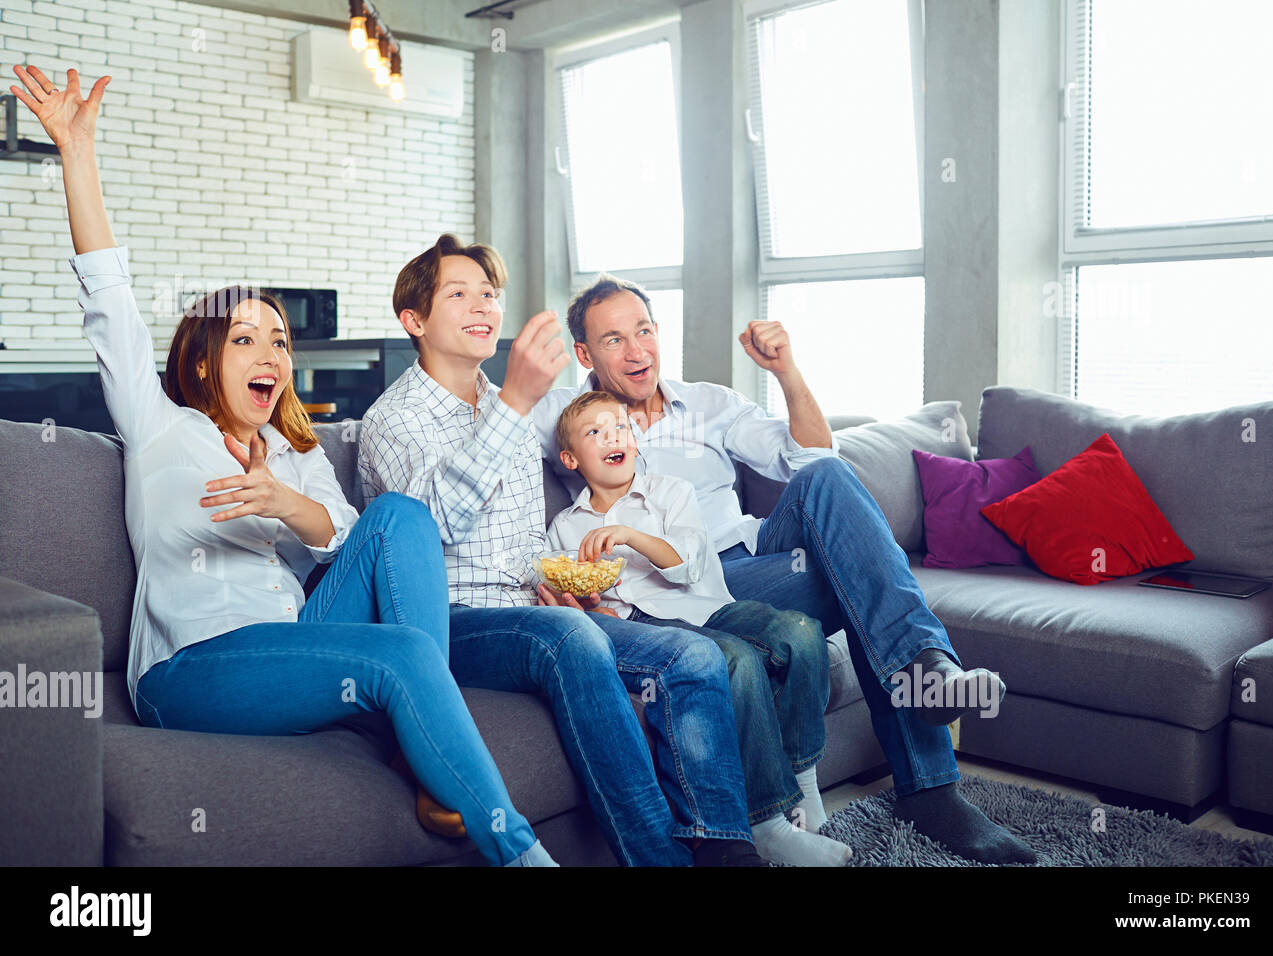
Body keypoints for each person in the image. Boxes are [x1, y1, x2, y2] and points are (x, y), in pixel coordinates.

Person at [9, 64, 554, 867]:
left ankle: (430, 742)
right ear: (201, 365)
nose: (270, 353)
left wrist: (283, 502)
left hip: (297, 642)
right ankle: (519, 852)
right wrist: (77, 154)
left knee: (398, 516)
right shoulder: (160, 426)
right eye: (245, 339)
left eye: (280, 341)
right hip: (193, 669)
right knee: (398, 654)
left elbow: (344, 539)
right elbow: (109, 297)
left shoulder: (299, 452)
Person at [532, 274, 1037, 864]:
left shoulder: (711, 403)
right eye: (614, 340)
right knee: (865, 590)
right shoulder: (566, 417)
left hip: (760, 558)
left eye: (643, 330)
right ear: (584, 355)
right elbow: (490, 433)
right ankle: (932, 781)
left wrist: (786, 372)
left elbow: (813, 454)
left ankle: (926, 671)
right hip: (690, 586)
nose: (637, 350)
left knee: (827, 476)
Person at [357, 234, 761, 866]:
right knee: (574, 641)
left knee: (694, 654)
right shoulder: (394, 419)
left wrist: (559, 585)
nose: (482, 306)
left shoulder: (505, 409)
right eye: (457, 294)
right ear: (413, 321)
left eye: (488, 294)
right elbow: (425, 528)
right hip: (446, 624)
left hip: (531, 609)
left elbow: (527, 537)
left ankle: (726, 852)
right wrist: (516, 398)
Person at [547, 390, 854, 866]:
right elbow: (574, 591)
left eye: (621, 427)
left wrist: (630, 536)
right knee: (735, 659)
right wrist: (584, 603)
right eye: (595, 432)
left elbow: (686, 564)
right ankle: (766, 821)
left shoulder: (670, 491)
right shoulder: (566, 528)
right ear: (570, 458)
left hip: (706, 605)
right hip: (645, 627)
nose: (614, 437)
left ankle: (803, 779)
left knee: (799, 631)